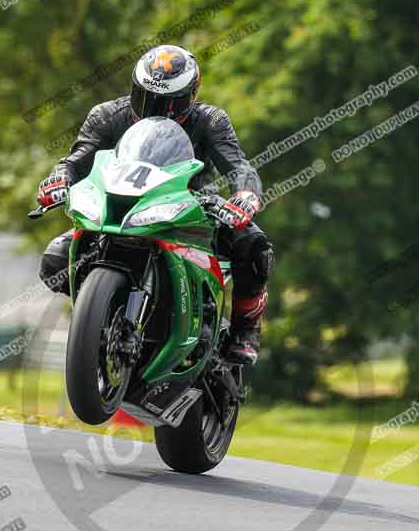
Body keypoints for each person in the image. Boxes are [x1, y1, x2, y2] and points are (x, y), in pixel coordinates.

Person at [37, 45, 274, 364]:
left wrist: (246, 194)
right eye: (146, 97)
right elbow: (75, 159)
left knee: (255, 247)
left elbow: (238, 166)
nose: (156, 109)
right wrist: (59, 178)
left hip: (190, 209)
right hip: (120, 205)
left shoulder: (211, 121)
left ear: (191, 95)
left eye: (169, 102)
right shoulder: (106, 115)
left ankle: (246, 331)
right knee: (54, 260)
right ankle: (101, 314)